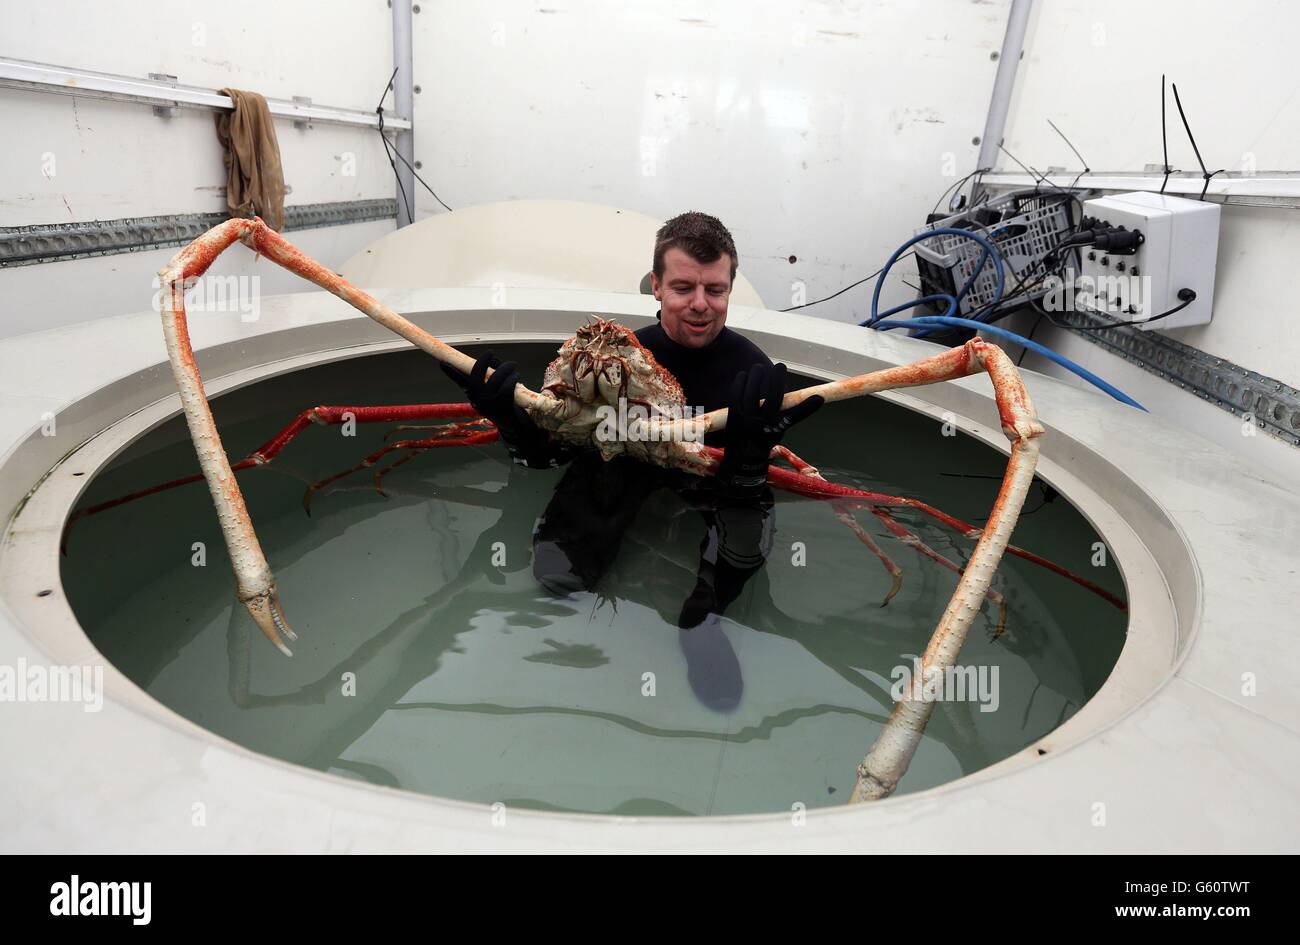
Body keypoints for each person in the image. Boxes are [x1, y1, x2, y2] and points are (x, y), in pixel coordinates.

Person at [442, 212, 822, 707]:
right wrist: (508, 418)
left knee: (739, 534)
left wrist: (750, 454)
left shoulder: (747, 373)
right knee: (557, 575)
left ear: (729, 289)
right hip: (625, 458)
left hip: (712, 479)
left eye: (716, 290)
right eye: (684, 287)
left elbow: (747, 492)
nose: (701, 305)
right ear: (656, 287)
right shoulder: (617, 357)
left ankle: (705, 617)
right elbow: (549, 456)